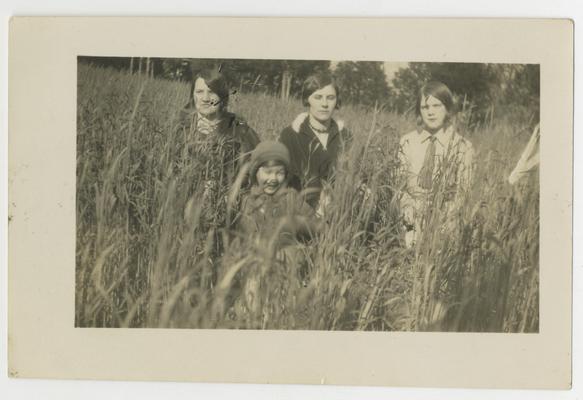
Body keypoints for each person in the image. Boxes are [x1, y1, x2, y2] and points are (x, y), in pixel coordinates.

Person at [176, 67, 260, 231]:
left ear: (222, 96)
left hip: (233, 202)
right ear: (192, 95)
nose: (205, 98)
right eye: (199, 92)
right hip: (189, 200)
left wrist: (230, 190)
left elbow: (255, 166)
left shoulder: (239, 127)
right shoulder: (182, 129)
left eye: (212, 92)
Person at [399, 81, 474, 247]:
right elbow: (399, 187)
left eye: (436, 106)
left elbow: (463, 192)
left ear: (447, 108)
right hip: (410, 220)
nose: (431, 112)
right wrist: (408, 209)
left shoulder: (462, 146)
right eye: (425, 107)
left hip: (446, 221)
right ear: (419, 110)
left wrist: (441, 219)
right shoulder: (407, 141)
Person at [278, 72, 351, 213]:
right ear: (307, 99)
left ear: (337, 101)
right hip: (299, 216)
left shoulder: (346, 136)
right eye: (318, 97)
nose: (324, 104)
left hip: (338, 216)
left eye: (330, 98)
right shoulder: (290, 135)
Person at [238, 141, 319, 250]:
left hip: (289, 259)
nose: (273, 179)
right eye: (268, 172)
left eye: (279, 173)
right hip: (257, 260)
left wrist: (299, 223)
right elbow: (246, 238)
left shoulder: (291, 198)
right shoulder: (248, 201)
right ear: (255, 173)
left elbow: (317, 226)